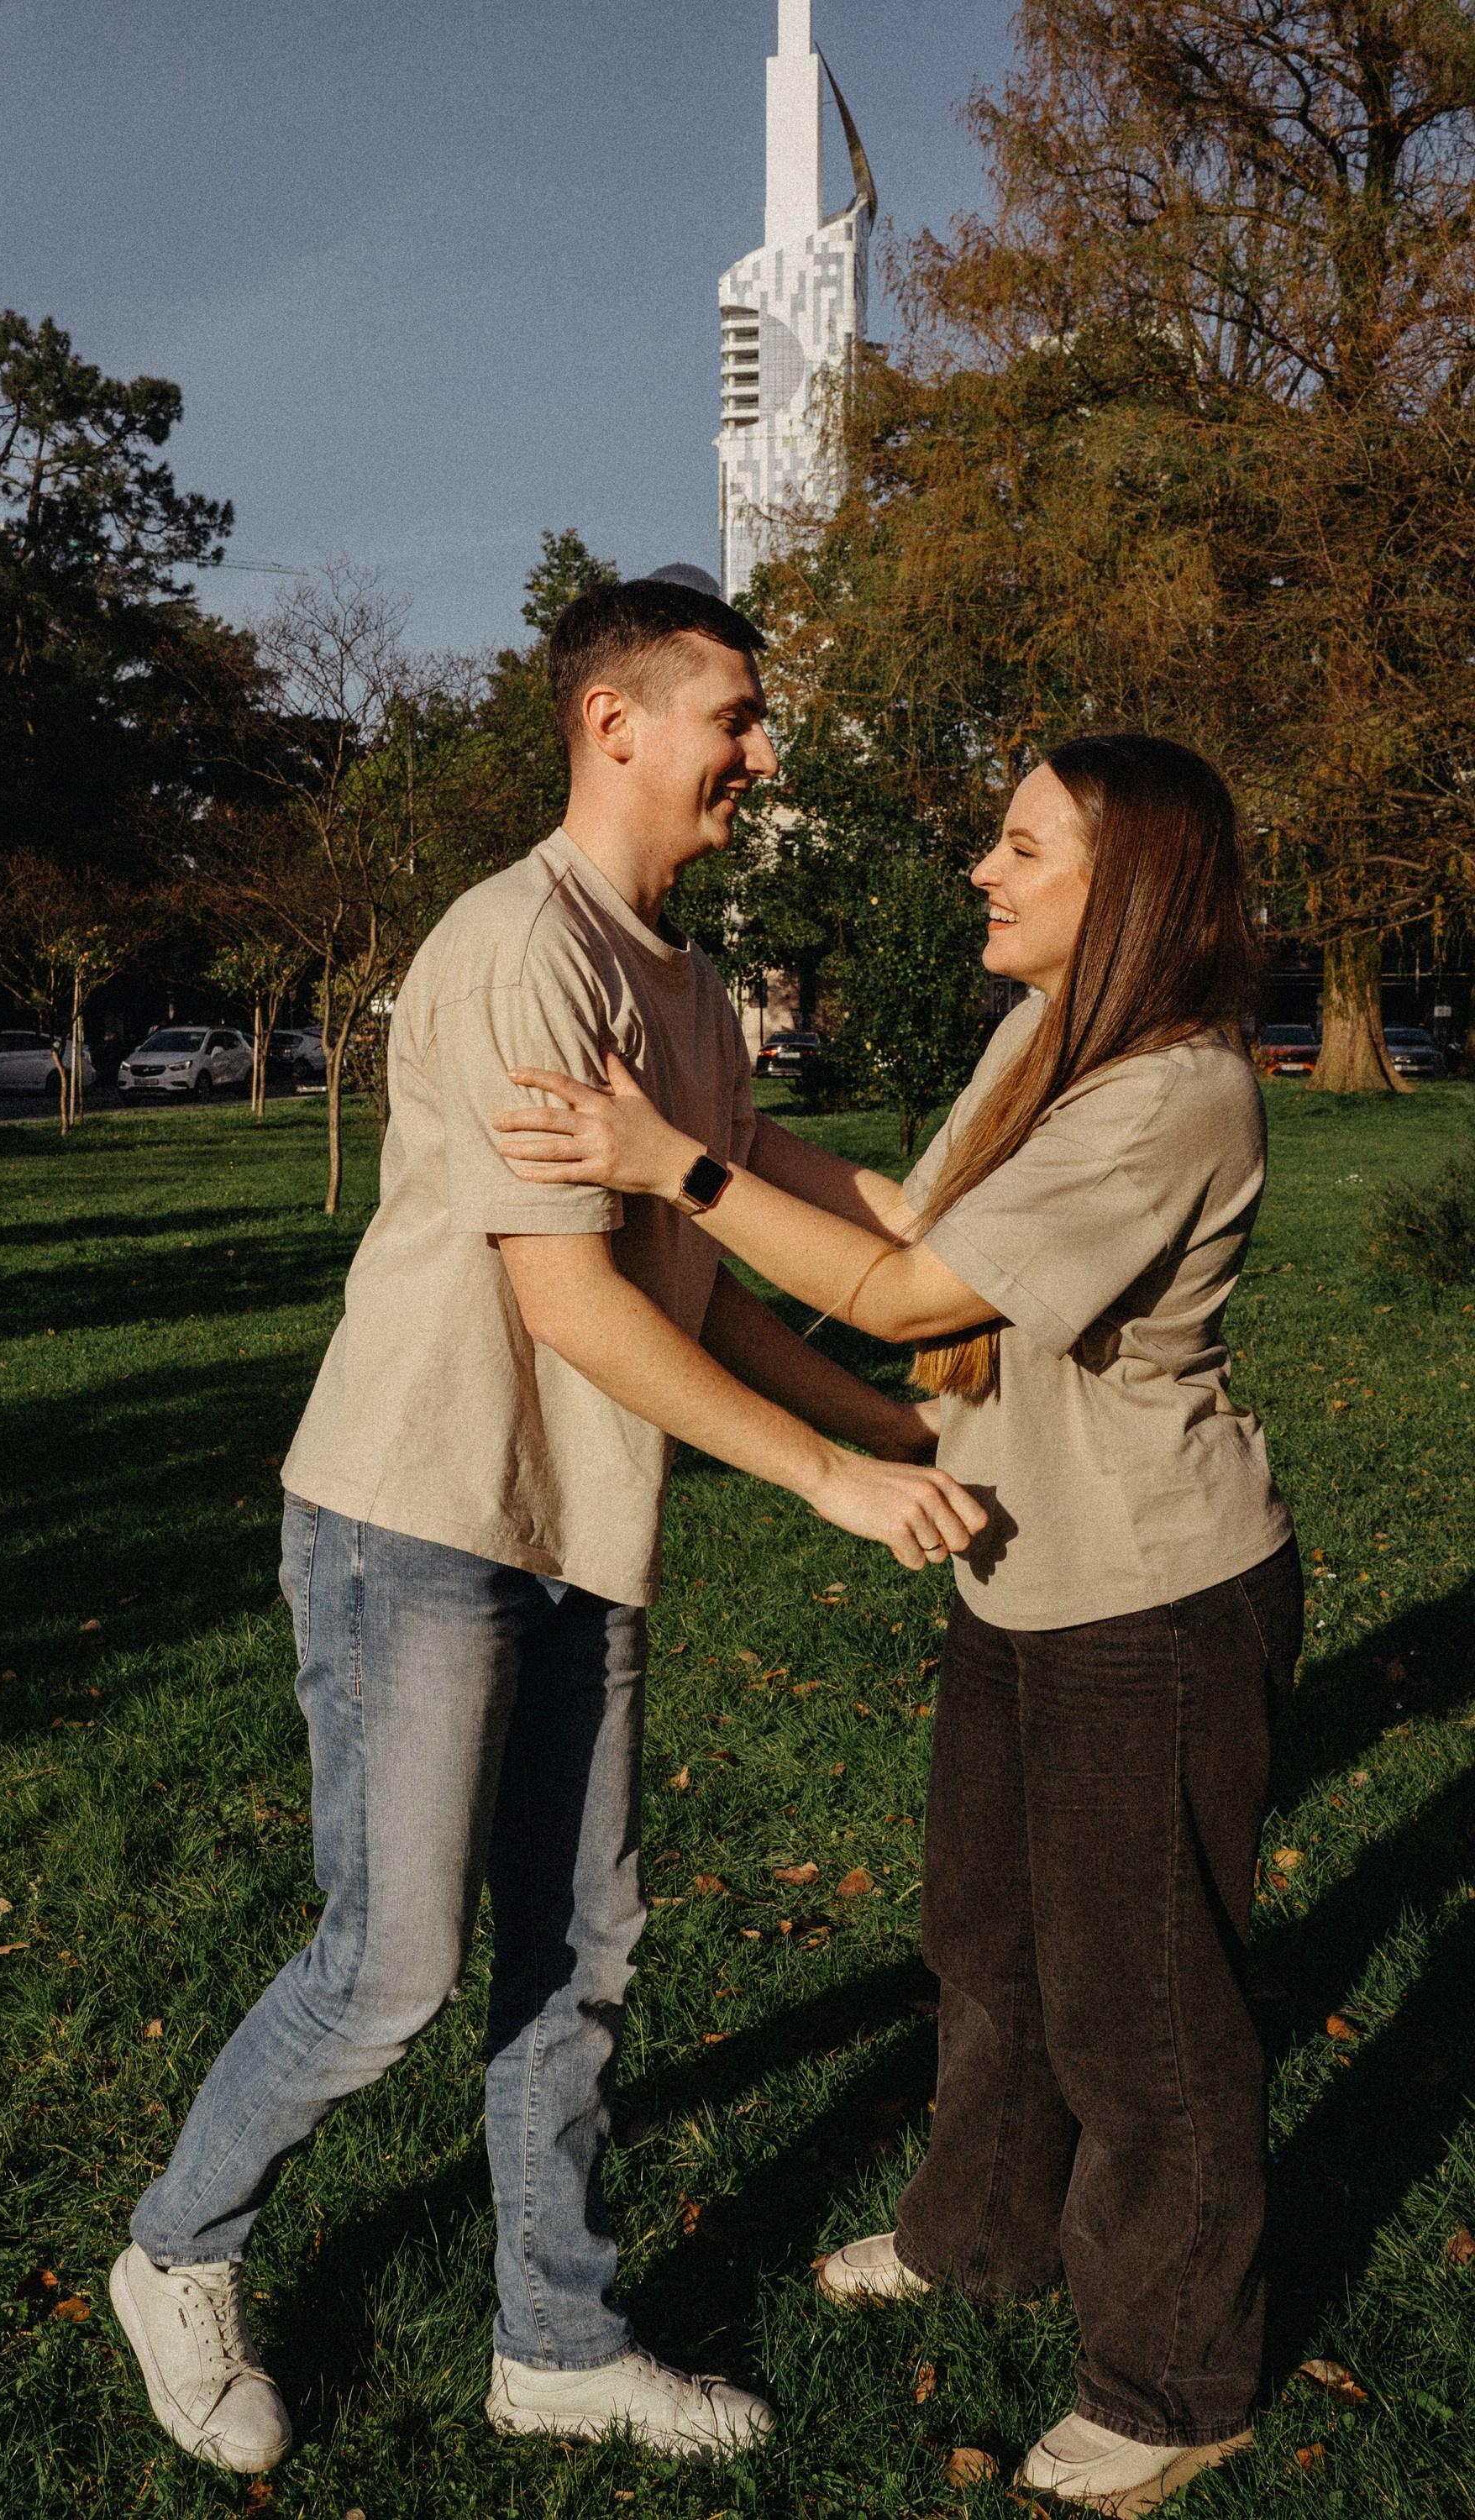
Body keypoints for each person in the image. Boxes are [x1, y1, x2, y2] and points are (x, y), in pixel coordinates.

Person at [109, 575, 985, 2477]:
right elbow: (567, 1299)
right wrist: (835, 1480)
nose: (761, 752)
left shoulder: (679, 981)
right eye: (736, 718)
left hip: (584, 1529)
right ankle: (176, 2253)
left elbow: (695, 1271)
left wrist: (895, 1406)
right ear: (616, 723)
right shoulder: (521, 944)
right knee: (391, 1964)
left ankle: (559, 2342)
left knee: (578, 1954)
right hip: (419, 1509)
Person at [492, 731, 1301, 2515]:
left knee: (1141, 2007)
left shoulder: (1174, 1094)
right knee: (984, 1942)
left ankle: (1174, 2380)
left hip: (1152, 1598)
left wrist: (669, 1169)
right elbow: (922, 1219)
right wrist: (712, 1131)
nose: (980, 872)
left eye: (1020, 848)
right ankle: (980, 2232)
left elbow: (907, 1289)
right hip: (1024, 1566)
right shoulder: (1045, 1042)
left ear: (1128, 888)